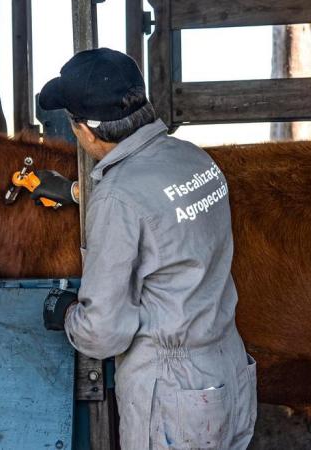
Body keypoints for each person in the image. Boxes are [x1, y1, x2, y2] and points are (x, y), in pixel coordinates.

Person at [35, 48, 256, 449]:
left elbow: (104, 334)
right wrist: (77, 192)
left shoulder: (117, 198)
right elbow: (165, 218)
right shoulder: (195, 160)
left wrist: (67, 313)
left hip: (174, 394)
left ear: (84, 130)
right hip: (227, 367)